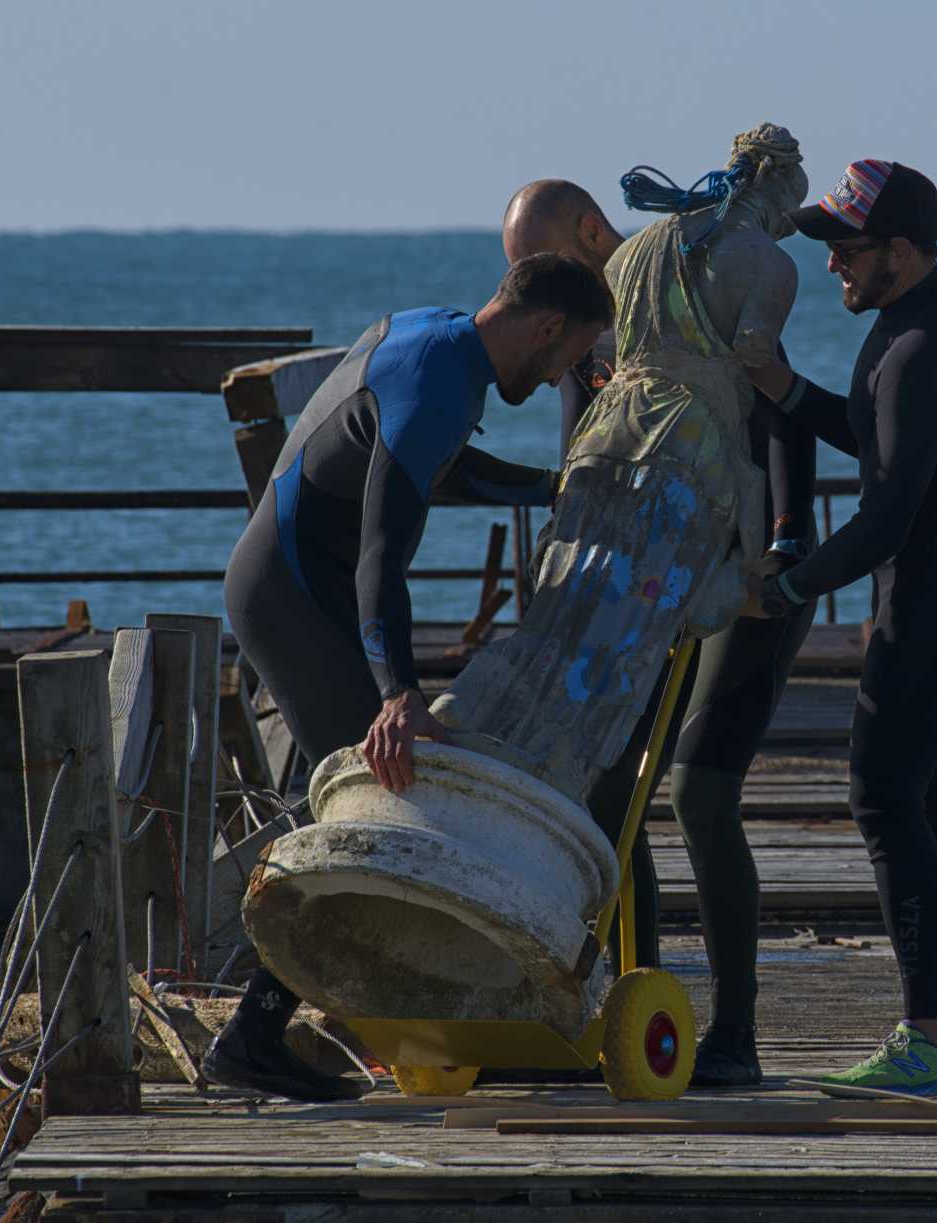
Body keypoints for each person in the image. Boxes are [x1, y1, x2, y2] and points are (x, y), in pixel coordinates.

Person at [206, 252, 614, 1099]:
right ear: (544, 328)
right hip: (290, 591)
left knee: (381, 799)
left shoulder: (445, 340)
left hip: (303, 581)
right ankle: (256, 1037)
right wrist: (398, 693)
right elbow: (381, 557)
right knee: (382, 804)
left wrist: (553, 487)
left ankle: (400, 1024)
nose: (555, 383)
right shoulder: (437, 383)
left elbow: (444, 469)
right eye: (567, 359)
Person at [499, 163, 821, 1086]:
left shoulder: (687, 273)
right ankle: (617, 1002)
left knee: (696, 790)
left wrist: (787, 545)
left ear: (593, 232)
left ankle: (738, 1032)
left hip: (749, 564)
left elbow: (781, 408)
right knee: (606, 787)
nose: (536, 296)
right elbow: (581, 460)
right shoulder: (584, 333)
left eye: (542, 265)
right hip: (645, 572)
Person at [746, 160, 937, 1098]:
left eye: (847, 246)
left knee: (882, 799)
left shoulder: (920, 344)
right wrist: (788, 390)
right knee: (934, 801)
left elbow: (887, 512)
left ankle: (930, 1040)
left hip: (931, 590)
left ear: (900, 252)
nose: (832, 261)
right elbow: (881, 441)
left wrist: (791, 587)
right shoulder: (924, 319)